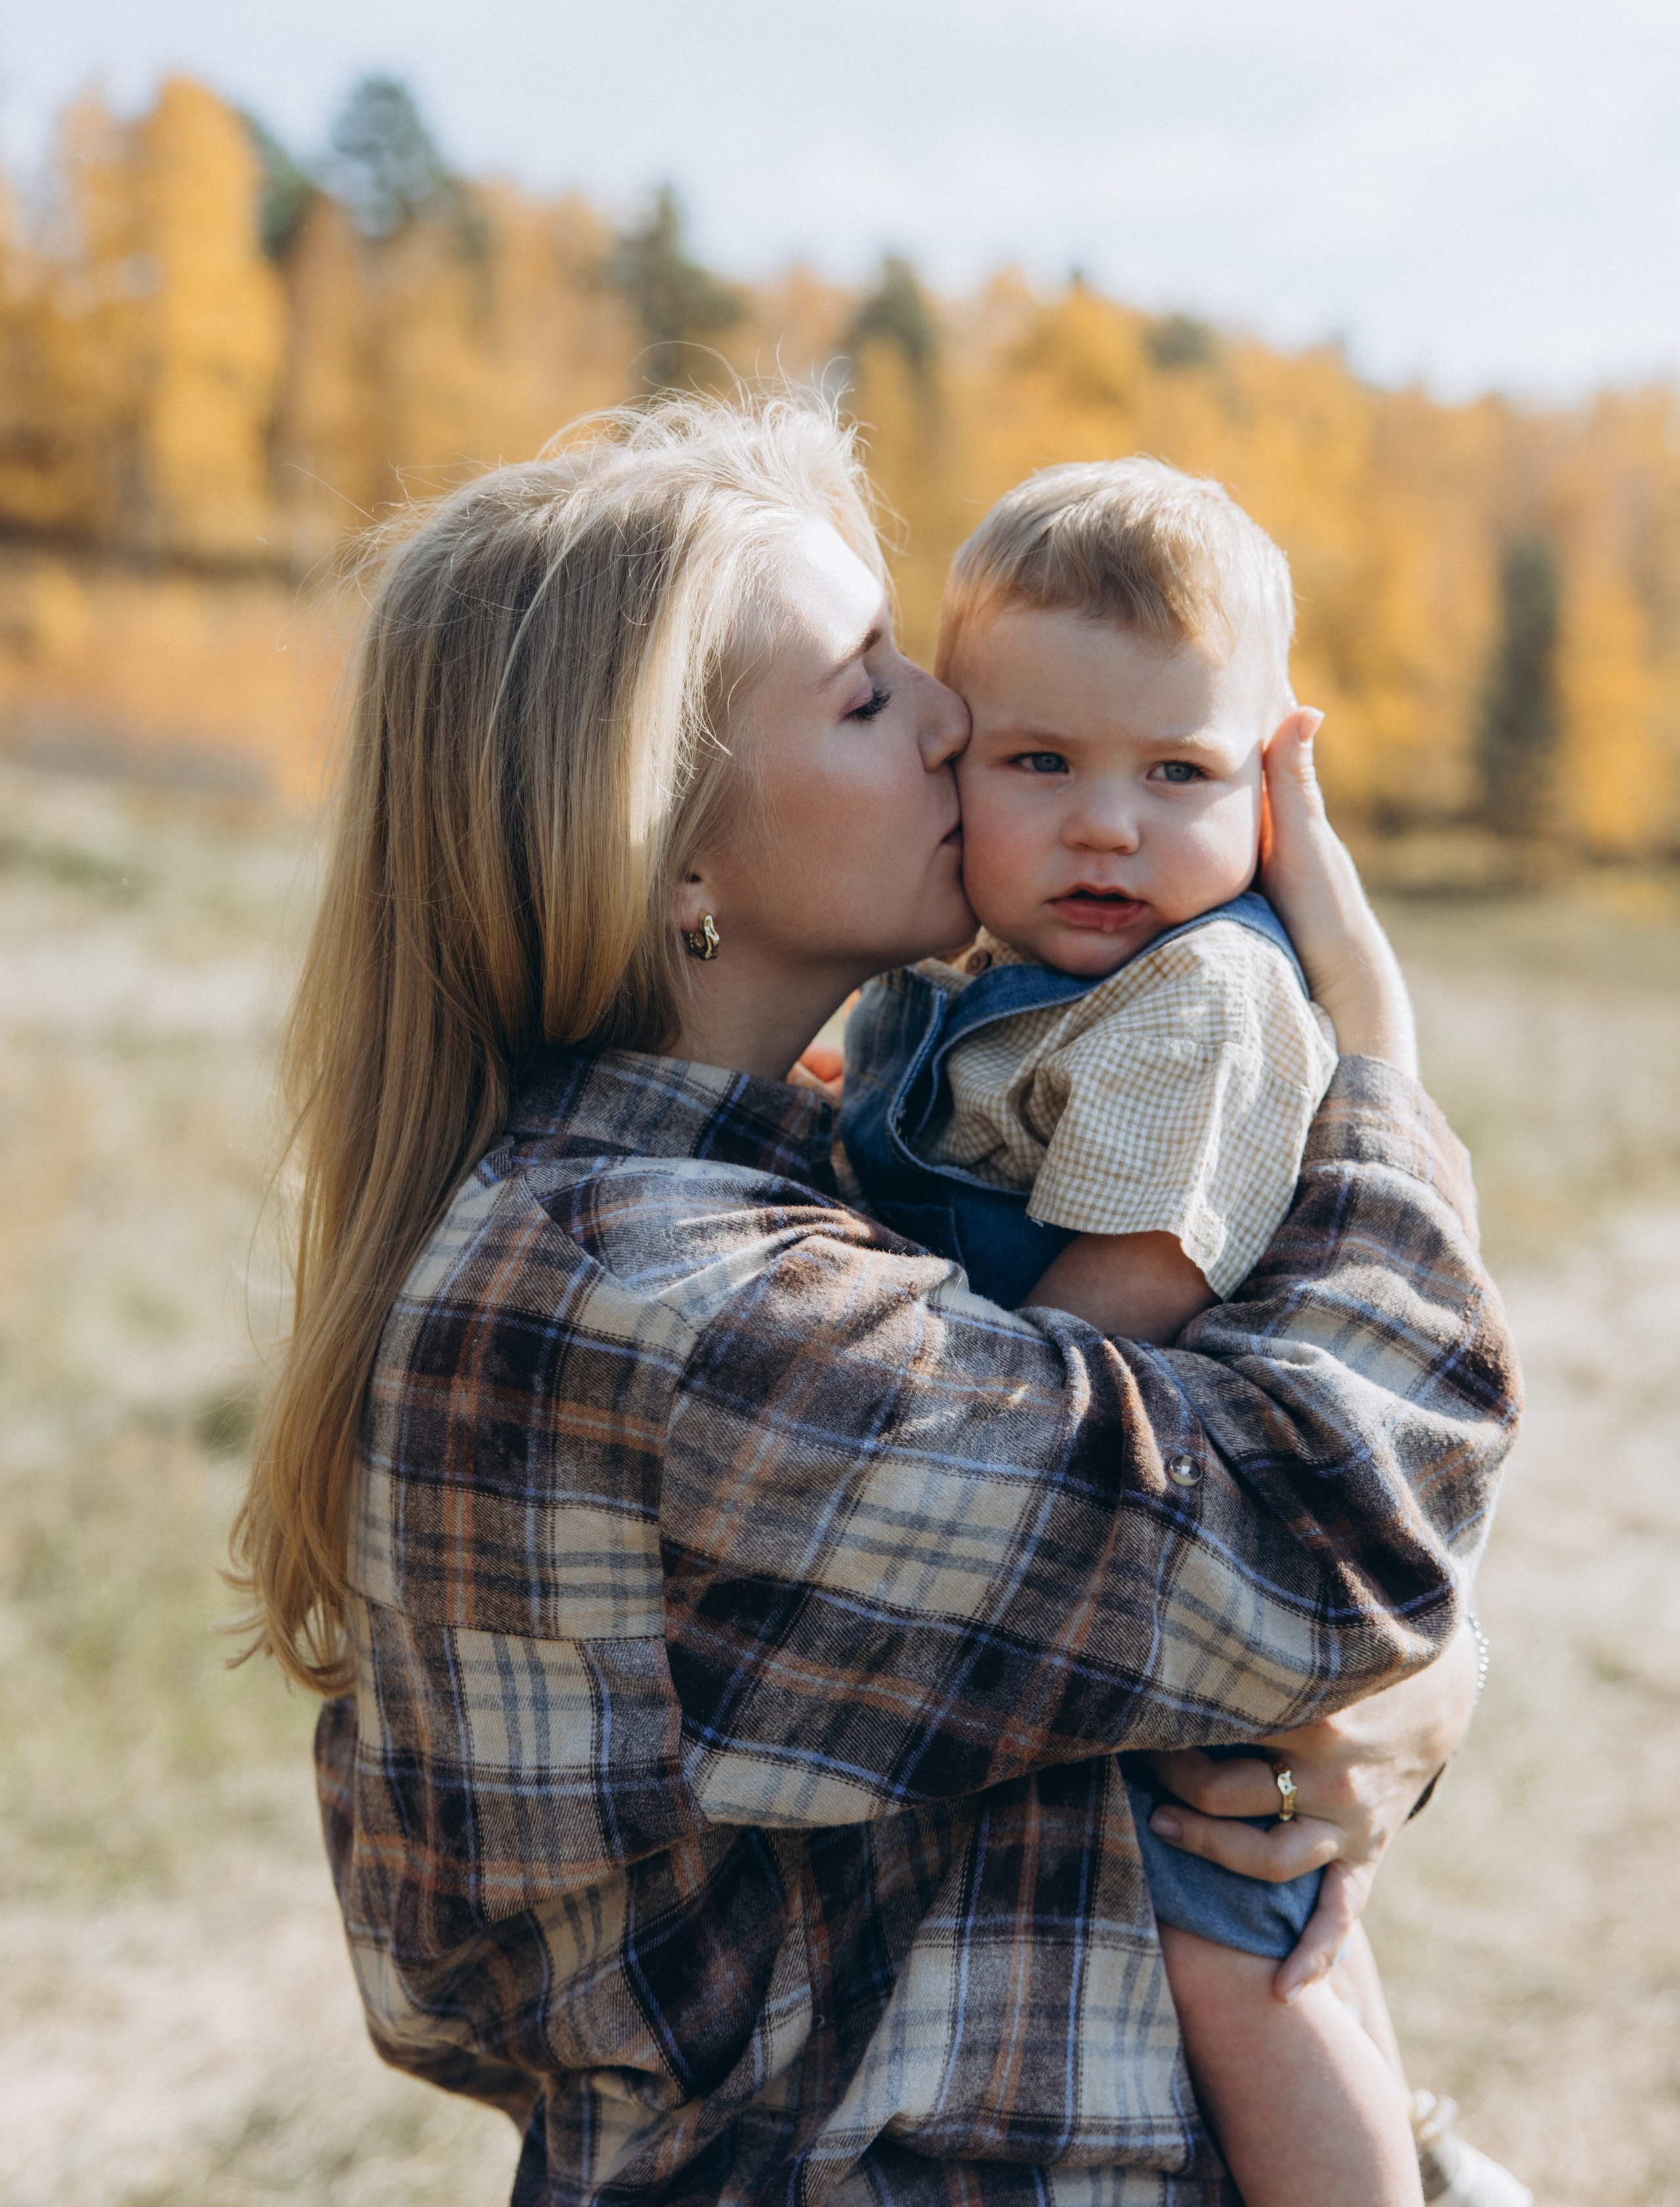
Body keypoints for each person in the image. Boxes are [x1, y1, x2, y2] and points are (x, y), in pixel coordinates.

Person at [234, 396, 1522, 2207]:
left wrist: (1380, 1704)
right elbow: (1325, 1547)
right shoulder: (658, 1300)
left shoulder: (806, 1186)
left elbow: (1176, 1621)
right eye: (865, 695)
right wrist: (1374, 1067)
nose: (952, 722)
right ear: (673, 848)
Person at [841, 460, 1528, 2206]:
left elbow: (1136, 1283)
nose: (1106, 827)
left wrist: (929, 1400)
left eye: (1182, 775)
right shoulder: (964, 988)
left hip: (1172, 1524)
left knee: (1255, 1967)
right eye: (1040, 762)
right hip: (1108, 1555)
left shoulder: (1201, 995)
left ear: (1274, 795)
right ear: (951, 754)